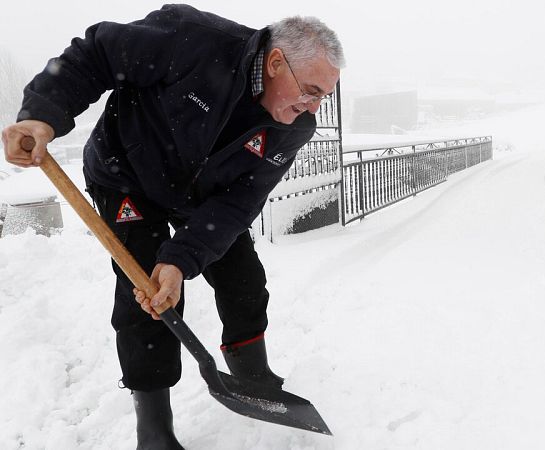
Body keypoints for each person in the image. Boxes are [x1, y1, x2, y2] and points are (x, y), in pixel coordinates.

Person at [1, 4, 344, 449]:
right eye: (311, 91)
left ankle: (251, 374)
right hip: (126, 174)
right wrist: (42, 114)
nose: (312, 107)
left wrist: (181, 261)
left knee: (242, 277)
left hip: (203, 194)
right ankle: (154, 428)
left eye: (323, 97)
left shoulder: (293, 128)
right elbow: (97, 53)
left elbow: (239, 203)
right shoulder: (194, 40)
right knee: (144, 290)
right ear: (276, 62)